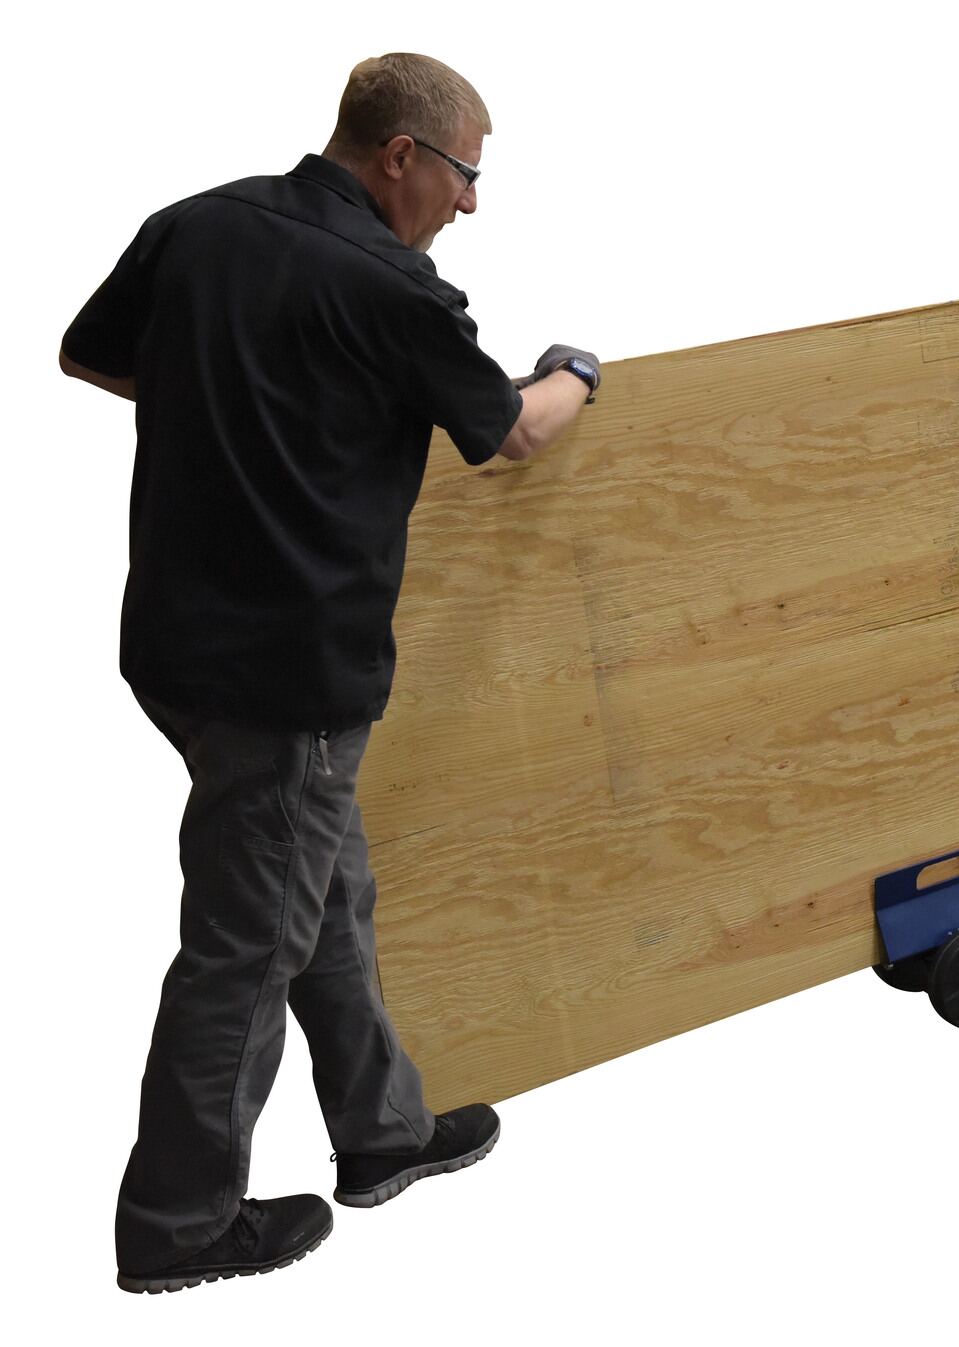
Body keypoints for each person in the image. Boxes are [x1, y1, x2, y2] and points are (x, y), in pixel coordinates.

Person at [59, 52, 599, 1295]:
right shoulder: (394, 291)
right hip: (287, 675)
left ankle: (383, 1132)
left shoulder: (197, 227)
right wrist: (575, 369)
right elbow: (514, 432)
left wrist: (229, 406)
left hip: (178, 647)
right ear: (401, 155)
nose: (471, 203)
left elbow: (92, 355)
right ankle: (179, 1223)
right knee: (250, 945)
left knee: (323, 888)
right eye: (464, 174)